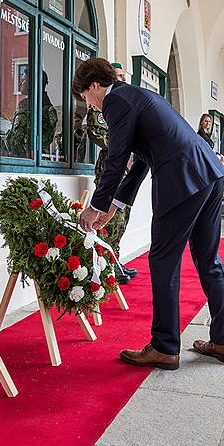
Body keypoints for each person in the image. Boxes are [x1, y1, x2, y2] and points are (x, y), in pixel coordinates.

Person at [73, 58, 224, 370]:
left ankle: (164, 346)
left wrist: (95, 207)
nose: (89, 105)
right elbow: (141, 160)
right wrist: (114, 206)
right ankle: (223, 340)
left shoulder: (115, 101)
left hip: (181, 180)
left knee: (163, 260)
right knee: (208, 258)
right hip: (208, 175)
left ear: (93, 85)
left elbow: (116, 159)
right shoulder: (136, 96)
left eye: (85, 97)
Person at [86, 62, 137, 284]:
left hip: (125, 167)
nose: (121, 80)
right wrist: (121, 146)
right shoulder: (99, 109)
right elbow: (96, 133)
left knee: (121, 218)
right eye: (118, 76)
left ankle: (115, 260)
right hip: (110, 166)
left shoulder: (123, 104)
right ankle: (107, 266)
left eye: (123, 77)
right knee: (108, 221)